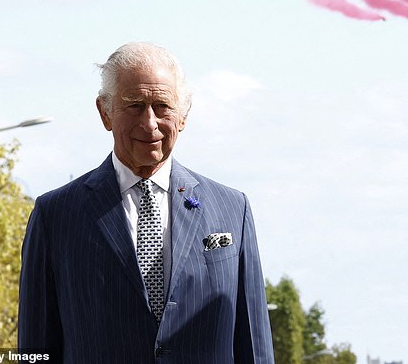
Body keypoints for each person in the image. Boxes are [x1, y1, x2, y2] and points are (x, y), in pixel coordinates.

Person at [18, 42, 274, 364]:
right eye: (135, 105)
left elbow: (253, 344)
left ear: (183, 115)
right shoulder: (56, 216)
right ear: (105, 112)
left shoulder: (232, 210)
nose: (150, 123)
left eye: (162, 106)